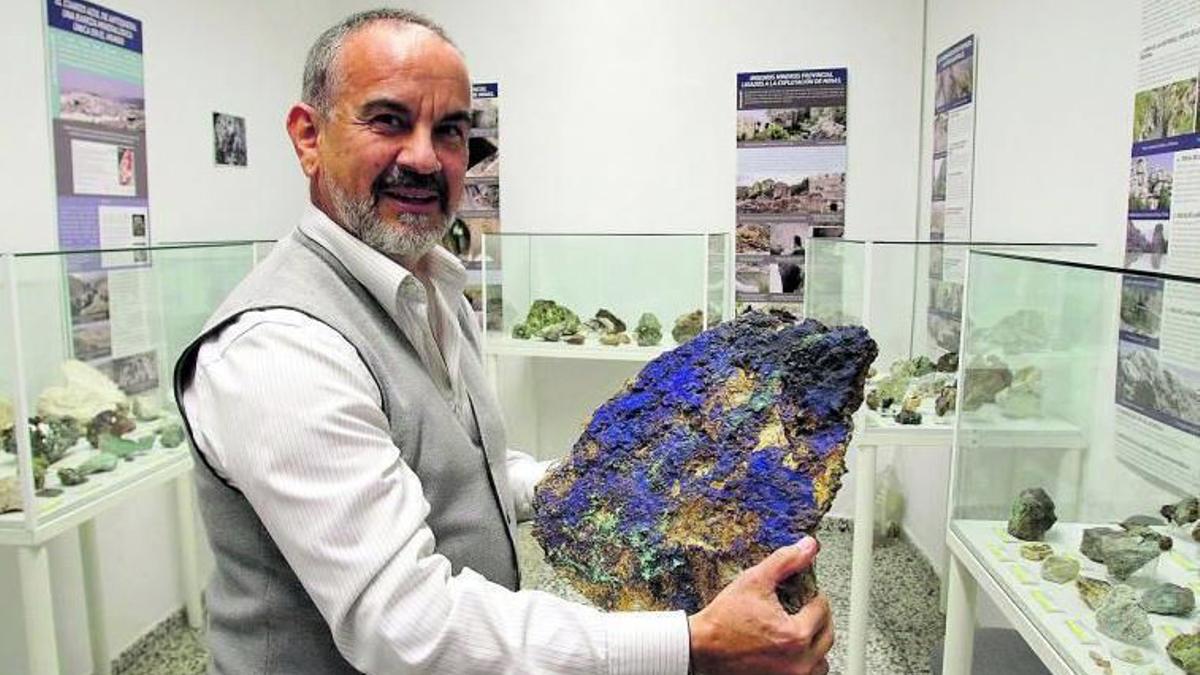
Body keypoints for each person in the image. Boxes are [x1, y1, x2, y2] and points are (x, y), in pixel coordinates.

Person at [173, 9, 833, 675]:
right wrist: (689, 644)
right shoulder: (280, 348)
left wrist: (593, 483)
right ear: (308, 137)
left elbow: (463, 467)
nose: (425, 158)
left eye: (451, 131)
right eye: (389, 121)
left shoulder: (434, 287)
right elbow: (408, 626)